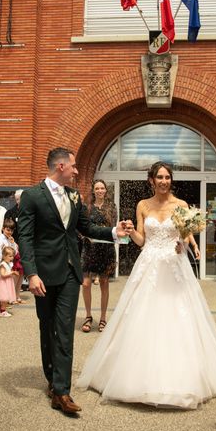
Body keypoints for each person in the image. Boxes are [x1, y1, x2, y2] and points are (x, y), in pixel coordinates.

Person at [77, 161, 216, 409]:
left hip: (174, 266)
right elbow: (142, 241)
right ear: (151, 180)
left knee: (180, 316)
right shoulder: (143, 205)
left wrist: (186, 246)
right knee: (142, 315)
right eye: (160, 177)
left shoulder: (181, 205)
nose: (164, 181)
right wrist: (132, 231)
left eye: (167, 177)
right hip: (149, 265)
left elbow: (184, 236)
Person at [17, 147, 127, 415]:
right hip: (42, 273)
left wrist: (114, 231)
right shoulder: (32, 196)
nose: (77, 171)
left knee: (65, 328)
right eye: (74, 166)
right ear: (60, 167)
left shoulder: (74, 196)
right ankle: (52, 378)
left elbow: (86, 228)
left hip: (69, 272)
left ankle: (62, 392)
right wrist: (30, 273)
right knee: (48, 326)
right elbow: (25, 237)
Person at [80, 180, 116, 333]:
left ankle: (102, 318)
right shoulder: (86, 208)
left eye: (102, 188)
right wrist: (83, 236)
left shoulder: (111, 208)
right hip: (90, 248)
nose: (100, 190)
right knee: (86, 283)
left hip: (106, 248)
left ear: (106, 191)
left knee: (104, 283)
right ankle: (88, 316)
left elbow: (113, 227)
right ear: (93, 191)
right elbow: (81, 227)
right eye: (97, 188)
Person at [0, 217, 25, 309]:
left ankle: (1, 302)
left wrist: (13, 243)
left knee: (4, 284)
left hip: (8, 265)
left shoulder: (10, 240)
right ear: (3, 228)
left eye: (11, 230)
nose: (9, 232)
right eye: (7, 230)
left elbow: (14, 252)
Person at [0, 246, 17, 317]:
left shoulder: (8, 264)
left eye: (12, 256)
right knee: (4, 298)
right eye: (10, 256)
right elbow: (3, 274)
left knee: (5, 298)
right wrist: (12, 273)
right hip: (3, 284)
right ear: (4, 256)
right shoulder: (3, 264)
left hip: (7, 283)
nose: (12, 258)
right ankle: (2, 311)